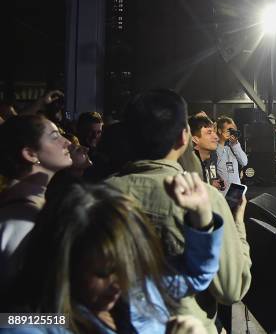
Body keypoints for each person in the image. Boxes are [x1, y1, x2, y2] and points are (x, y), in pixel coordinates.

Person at [105, 90, 251, 333]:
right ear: (184, 138)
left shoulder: (96, 196)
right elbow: (231, 289)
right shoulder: (202, 198)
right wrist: (238, 225)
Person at [5, 176, 223, 334]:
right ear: (62, 262)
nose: (121, 282)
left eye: (132, 264)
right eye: (103, 272)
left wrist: (201, 215)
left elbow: (194, 274)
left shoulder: (135, 284)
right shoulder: (26, 323)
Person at [0, 115, 72, 289]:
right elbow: (19, 312)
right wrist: (69, 318)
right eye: (55, 136)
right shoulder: (21, 219)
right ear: (30, 154)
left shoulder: (25, 205)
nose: (67, 142)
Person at [188, 115, 223, 191]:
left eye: (214, 132)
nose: (216, 137)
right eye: (209, 132)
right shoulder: (188, 169)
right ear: (195, 139)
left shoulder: (207, 161)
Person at [215, 116, 248, 195]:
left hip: (236, 192)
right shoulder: (213, 147)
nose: (231, 132)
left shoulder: (232, 147)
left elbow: (244, 162)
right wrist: (222, 141)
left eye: (233, 130)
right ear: (220, 131)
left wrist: (235, 144)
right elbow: (216, 159)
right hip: (222, 193)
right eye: (229, 130)